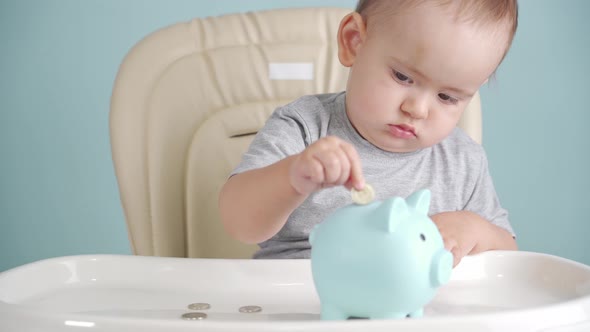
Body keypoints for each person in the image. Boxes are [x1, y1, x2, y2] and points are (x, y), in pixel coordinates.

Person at [219, 0, 519, 266]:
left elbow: (510, 256)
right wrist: (292, 178)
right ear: (354, 41)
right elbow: (239, 223)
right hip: (304, 302)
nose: (417, 109)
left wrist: (474, 229)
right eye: (403, 76)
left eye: (447, 98)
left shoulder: (462, 161)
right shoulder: (305, 128)